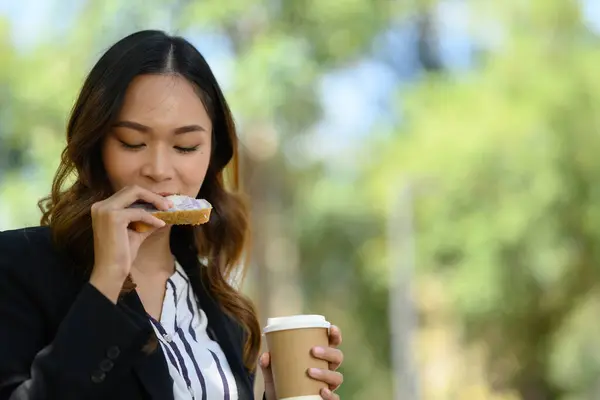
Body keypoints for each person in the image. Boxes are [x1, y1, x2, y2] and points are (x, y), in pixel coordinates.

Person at [0, 30, 344, 400]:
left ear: (212, 153)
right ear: (96, 144)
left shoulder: (224, 312)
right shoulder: (19, 266)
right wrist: (106, 282)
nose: (159, 169)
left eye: (185, 146)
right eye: (132, 143)